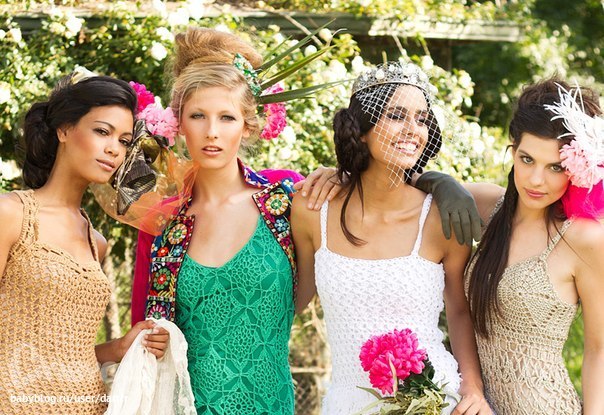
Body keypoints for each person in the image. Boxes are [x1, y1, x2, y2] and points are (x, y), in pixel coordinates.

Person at [130, 27, 317, 414]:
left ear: (247, 125)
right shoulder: (162, 223)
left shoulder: (285, 199)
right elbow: (141, 339)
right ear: (178, 123)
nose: (211, 132)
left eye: (227, 117)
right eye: (198, 116)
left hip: (271, 405)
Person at [292, 61, 491, 415]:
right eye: (397, 116)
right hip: (347, 404)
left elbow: (460, 312)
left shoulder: (441, 217)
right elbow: (290, 302)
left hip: (435, 401)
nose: (413, 130)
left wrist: (473, 389)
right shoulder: (312, 211)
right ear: (361, 130)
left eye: (422, 119)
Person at [0, 69, 169, 414]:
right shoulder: (12, 214)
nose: (113, 149)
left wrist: (119, 348)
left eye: (124, 141)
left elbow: (66, 354)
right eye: (102, 131)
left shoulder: (96, 242)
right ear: (63, 130)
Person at [459, 79, 604, 414]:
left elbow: (599, 349)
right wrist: (342, 177)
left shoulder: (583, 238)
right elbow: (410, 191)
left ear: (576, 169)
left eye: (555, 167)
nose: (537, 180)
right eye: (527, 160)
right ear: (513, 151)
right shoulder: (487, 206)